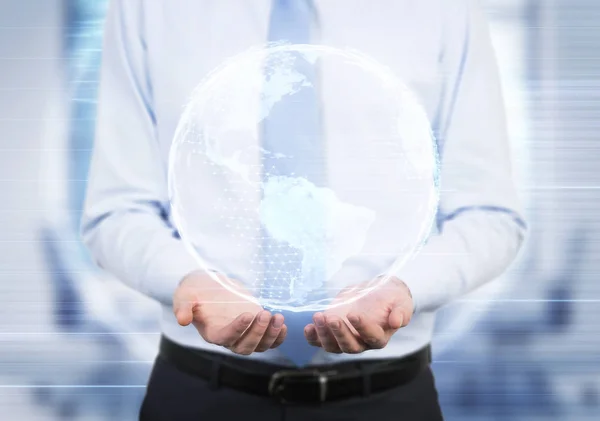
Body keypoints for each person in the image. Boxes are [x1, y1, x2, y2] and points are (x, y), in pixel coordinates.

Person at [81, 0, 526, 420]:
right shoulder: (149, 8)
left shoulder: (443, 9)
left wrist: (407, 288)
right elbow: (117, 210)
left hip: (388, 401)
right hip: (198, 395)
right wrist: (188, 283)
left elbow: (489, 215)